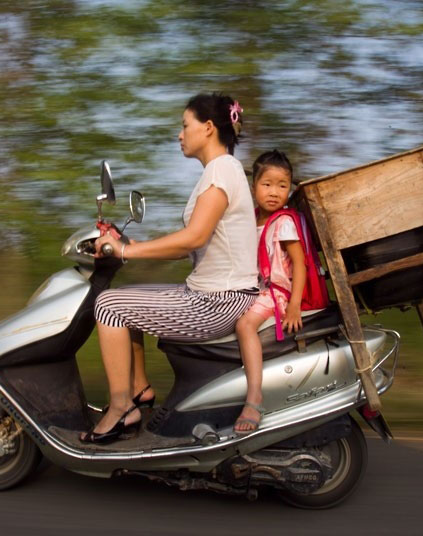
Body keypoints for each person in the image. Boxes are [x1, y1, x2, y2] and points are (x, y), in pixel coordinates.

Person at [83, 93, 258, 444]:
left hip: (219, 301)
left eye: (184, 126)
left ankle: (121, 409)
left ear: (208, 129)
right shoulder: (219, 171)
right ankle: (140, 389)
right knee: (123, 299)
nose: (179, 134)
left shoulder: (221, 170)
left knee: (108, 307)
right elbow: (190, 246)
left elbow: (192, 238)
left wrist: (125, 251)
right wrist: (128, 248)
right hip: (210, 292)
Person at [233, 150, 306, 435]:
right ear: (253, 188)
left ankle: (254, 398)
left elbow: (299, 265)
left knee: (244, 324)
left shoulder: (284, 222)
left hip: (276, 293)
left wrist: (294, 305)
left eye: (282, 185)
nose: (274, 192)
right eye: (267, 185)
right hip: (254, 289)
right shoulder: (250, 220)